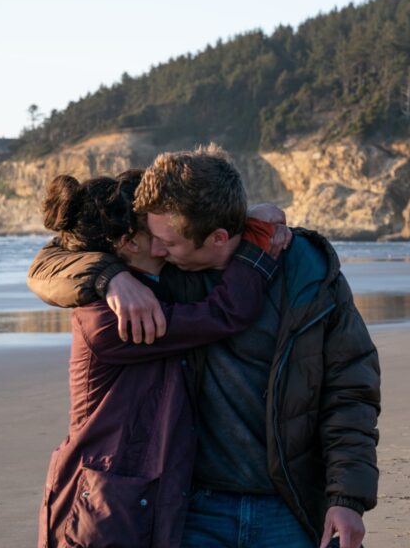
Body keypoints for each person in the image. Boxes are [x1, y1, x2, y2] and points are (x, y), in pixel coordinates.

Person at [27, 145, 380, 548]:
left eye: (169, 241)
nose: (160, 249)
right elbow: (50, 258)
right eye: (155, 239)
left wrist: (347, 498)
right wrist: (109, 276)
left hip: (291, 504)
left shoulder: (306, 272)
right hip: (188, 509)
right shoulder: (146, 287)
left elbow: (351, 390)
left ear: (217, 235)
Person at [33, 170, 283, 547]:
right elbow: (226, 312)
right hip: (103, 508)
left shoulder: (154, 286)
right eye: (156, 232)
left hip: (131, 494)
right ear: (129, 242)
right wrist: (255, 242)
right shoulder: (116, 317)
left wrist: (237, 219)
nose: (167, 238)